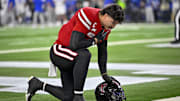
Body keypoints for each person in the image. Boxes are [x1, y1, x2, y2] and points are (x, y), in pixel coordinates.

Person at [26, 4, 124, 101]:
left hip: (72, 56)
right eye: (113, 22)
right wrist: (94, 41)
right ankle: (78, 95)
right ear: (106, 15)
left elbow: (102, 51)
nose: (114, 26)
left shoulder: (105, 28)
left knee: (68, 97)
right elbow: (74, 44)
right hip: (60, 50)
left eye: (116, 23)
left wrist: (104, 74)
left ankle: (37, 84)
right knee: (84, 55)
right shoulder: (88, 14)